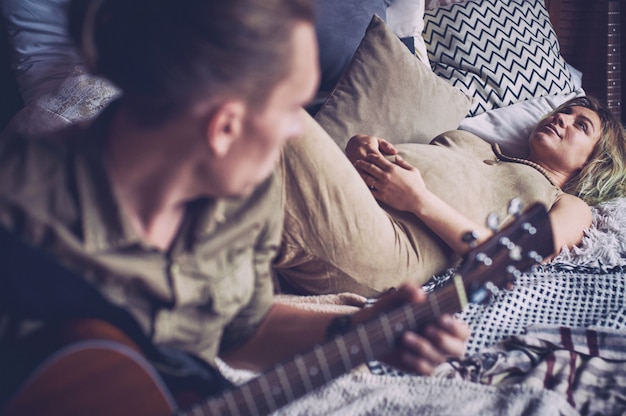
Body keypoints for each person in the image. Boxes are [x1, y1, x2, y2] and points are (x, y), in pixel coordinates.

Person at [0, 0, 470, 407]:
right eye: (291, 109)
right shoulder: (20, 217)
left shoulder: (250, 197)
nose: (299, 130)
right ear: (224, 128)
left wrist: (363, 332)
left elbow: (241, 328)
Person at [274, 96, 626, 297]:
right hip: (353, 199)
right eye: (564, 111)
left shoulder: (569, 205)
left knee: (278, 116)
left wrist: (418, 200)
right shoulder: (482, 144)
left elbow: (517, 260)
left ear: (593, 163)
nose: (562, 118)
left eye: (581, 125)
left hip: (391, 246)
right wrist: (360, 152)